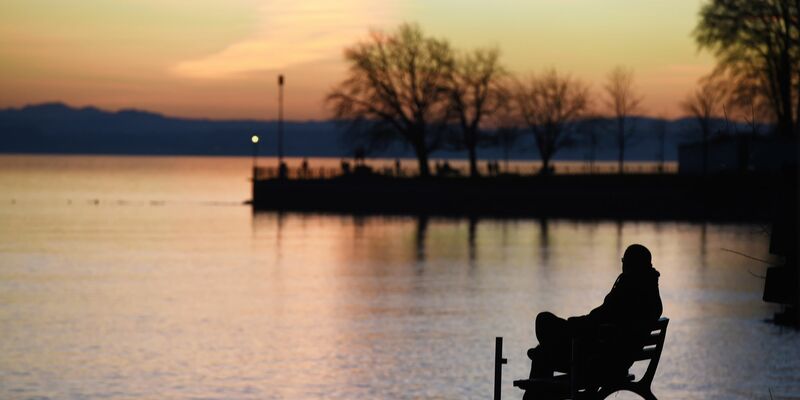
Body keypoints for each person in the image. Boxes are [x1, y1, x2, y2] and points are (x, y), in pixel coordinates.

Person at [523, 244, 662, 399]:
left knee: (543, 327)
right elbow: (603, 319)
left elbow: (600, 320)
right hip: (608, 358)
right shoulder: (649, 297)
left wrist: (573, 326)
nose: (622, 265)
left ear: (631, 264)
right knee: (543, 350)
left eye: (624, 261)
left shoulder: (629, 290)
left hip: (598, 362)